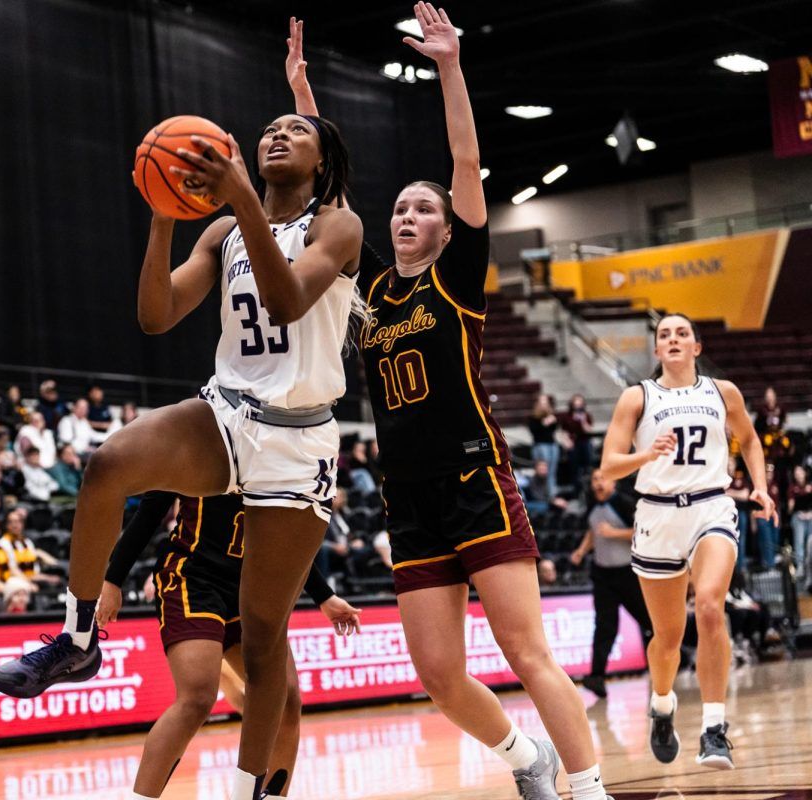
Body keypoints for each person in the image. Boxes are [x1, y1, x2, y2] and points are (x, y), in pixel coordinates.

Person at [0, 24, 364, 800]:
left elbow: (289, 300)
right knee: (108, 465)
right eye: (267, 130)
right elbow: (156, 317)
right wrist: (166, 212)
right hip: (228, 414)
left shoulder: (339, 227)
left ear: (323, 162)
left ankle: (252, 792)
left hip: (300, 443)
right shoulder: (225, 229)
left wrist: (248, 182)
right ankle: (78, 636)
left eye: (294, 129)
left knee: (264, 644)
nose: (276, 134)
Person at [345, 8, 610, 798]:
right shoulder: (369, 290)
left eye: (421, 209)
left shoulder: (455, 280)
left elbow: (465, 158)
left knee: (527, 653)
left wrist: (450, 66)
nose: (406, 217)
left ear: (445, 228)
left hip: (473, 481)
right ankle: (526, 757)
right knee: (438, 675)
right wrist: (303, 100)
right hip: (407, 497)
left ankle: (589, 788)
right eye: (399, 209)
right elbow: (329, 198)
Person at [99, 491, 360, 799]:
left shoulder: (278, 459)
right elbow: (151, 511)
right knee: (197, 696)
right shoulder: (197, 445)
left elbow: (284, 538)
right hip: (193, 577)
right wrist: (113, 580)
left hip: (251, 583)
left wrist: (324, 596)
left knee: (286, 698)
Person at [600, 312, 776, 771]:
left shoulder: (724, 392)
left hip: (711, 506)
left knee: (712, 607)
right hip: (657, 516)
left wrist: (759, 486)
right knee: (668, 637)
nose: (673, 340)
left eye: (682, 334)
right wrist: (647, 453)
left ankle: (714, 729)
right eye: (664, 335)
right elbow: (609, 467)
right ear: (656, 350)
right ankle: (662, 706)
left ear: (697, 347)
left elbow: (751, 441)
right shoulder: (636, 397)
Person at [569, 470, 653, 698]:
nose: (597, 483)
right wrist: (581, 550)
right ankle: (596, 677)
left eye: (602, 478)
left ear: (613, 482)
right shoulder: (592, 504)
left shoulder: (623, 503)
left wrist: (614, 533)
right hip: (602, 575)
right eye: (594, 479)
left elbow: (644, 532)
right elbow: (593, 531)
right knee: (605, 627)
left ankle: (674, 656)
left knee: (649, 620)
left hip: (628, 573)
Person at [529, 393, 561, 498]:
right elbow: (534, 431)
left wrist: (552, 420)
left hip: (552, 444)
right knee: (543, 472)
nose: (544, 405)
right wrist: (544, 423)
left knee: (552, 471)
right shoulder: (534, 418)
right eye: (542, 402)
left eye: (546, 402)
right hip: (540, 445)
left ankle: (552, 495)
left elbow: (554, 430)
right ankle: (542, 496)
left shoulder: (551, 416)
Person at [561, 394, 596, 480]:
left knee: (587, 462)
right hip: (573, 442)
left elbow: (589, 430)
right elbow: (564, 431)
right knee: (574, 466)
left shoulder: (586, 415)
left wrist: (583, 420)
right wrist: (567, 441)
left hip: (584, 441)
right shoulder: (567, 416)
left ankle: (587, 478)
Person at [788, 464, 812, 576]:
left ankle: (809, 567)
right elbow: (790, 509)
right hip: (798, 517)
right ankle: (800, 566)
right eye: (796, 473)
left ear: (804, 473)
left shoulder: (810, 485)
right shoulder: (792, 488)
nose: (798, 475)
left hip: (811, 516)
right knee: (799, 541)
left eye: (800, 472)